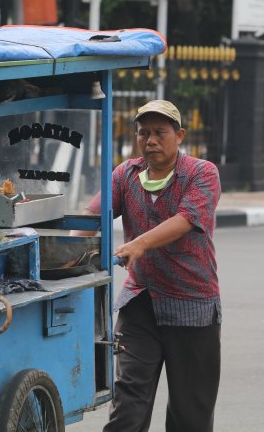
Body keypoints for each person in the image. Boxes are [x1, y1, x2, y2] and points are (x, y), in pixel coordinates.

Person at [77, 100, 222, 432]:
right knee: (128, 402)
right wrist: (68, 247)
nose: (151, 140)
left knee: (191, 412)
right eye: (144, 133)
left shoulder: (202, 173)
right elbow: (91, 216)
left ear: (179, 135)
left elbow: (187, 219)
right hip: (140, 301)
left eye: (160, 133)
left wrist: (139, 243)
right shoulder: (126, 174)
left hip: (192, 304)